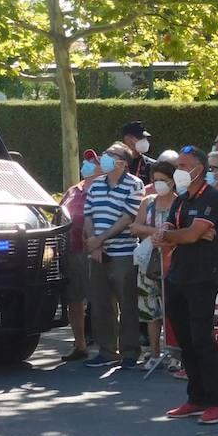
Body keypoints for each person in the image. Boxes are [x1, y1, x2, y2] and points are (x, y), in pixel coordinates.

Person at [156, 145, 218, 425]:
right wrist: (172, 234)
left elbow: (191, 234)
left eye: (185, 166)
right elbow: (171, 232)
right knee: (185, 340)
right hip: (177, 274)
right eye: (179, 166)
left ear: (200, 169)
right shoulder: (181, 199)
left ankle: (217, 402)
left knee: (202, 339)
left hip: (201, 276)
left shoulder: (211, 197)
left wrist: (177, 235)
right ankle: (196, 397)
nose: (179, 171)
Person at [83, 141, 145, 369]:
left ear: (122, 162)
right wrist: (94, 244)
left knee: (127, 302)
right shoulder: (96, 185)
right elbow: (88, 215)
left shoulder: (134, 185)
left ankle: (130, 351)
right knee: (100, 303)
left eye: (109, 155)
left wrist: (100, 239)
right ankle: (107, 350)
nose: (103, 159)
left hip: (124, 252)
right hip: (98, 253)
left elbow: (128, 218)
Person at [129, 160, 177, 370]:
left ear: (173, 181)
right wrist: (154, 233)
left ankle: (176, 355)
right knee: (150, 310)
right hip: (148, 263)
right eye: (155, 180)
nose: (158, 184)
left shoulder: (179, 202)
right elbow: (135, 226)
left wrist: (166, 236)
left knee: (173, 309)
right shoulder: (147, 201)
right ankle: (155, 353)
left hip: (173, 261)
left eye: (163, 180)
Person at [59, 150, 104, 361]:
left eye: (92, 162)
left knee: (102, 299)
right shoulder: (73, 190)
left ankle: (110, 348)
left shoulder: (103, 191)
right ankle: (80, 345)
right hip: (72, 250)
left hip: (94, 250)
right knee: (74, 299)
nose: (86, 165)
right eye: (86, 161)